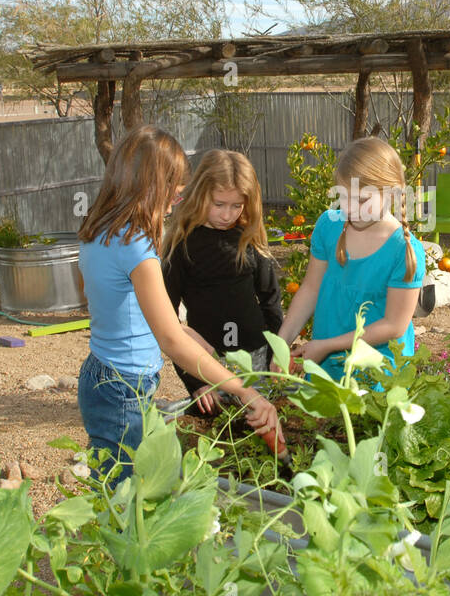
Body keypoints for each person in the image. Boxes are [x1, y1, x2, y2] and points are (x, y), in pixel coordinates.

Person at [76, 127, 280, 480]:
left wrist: (189, 335)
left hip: (102, 373)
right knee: (125, 491)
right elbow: (169, 339)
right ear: (151, 185)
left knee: (115, 484)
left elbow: (129, 311)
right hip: (124, 386)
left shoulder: (101, 231)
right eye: (174, 189)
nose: (177, 198)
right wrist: (241, 390)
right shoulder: (136, 247)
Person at [277, 137, 424, 379]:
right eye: (344, 197)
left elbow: (394, 325)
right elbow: (311, 289)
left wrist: (327, 346)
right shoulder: (329, 226)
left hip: (377, 377)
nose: (351, 209)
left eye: (362, 200)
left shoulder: (404, 249)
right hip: (326, 369)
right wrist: (282, 342)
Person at [162, 150, 283, 413]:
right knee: (220, 429)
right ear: (200, 195)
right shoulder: (181, 245)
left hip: (256, 358)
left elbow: (271, 301)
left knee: (258, 421)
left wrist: (275, 353)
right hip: (207, 363)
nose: (227, 215)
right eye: (219, 204)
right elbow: (167, 321)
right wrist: (194, 381)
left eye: (236, 206)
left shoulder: (248, 238)